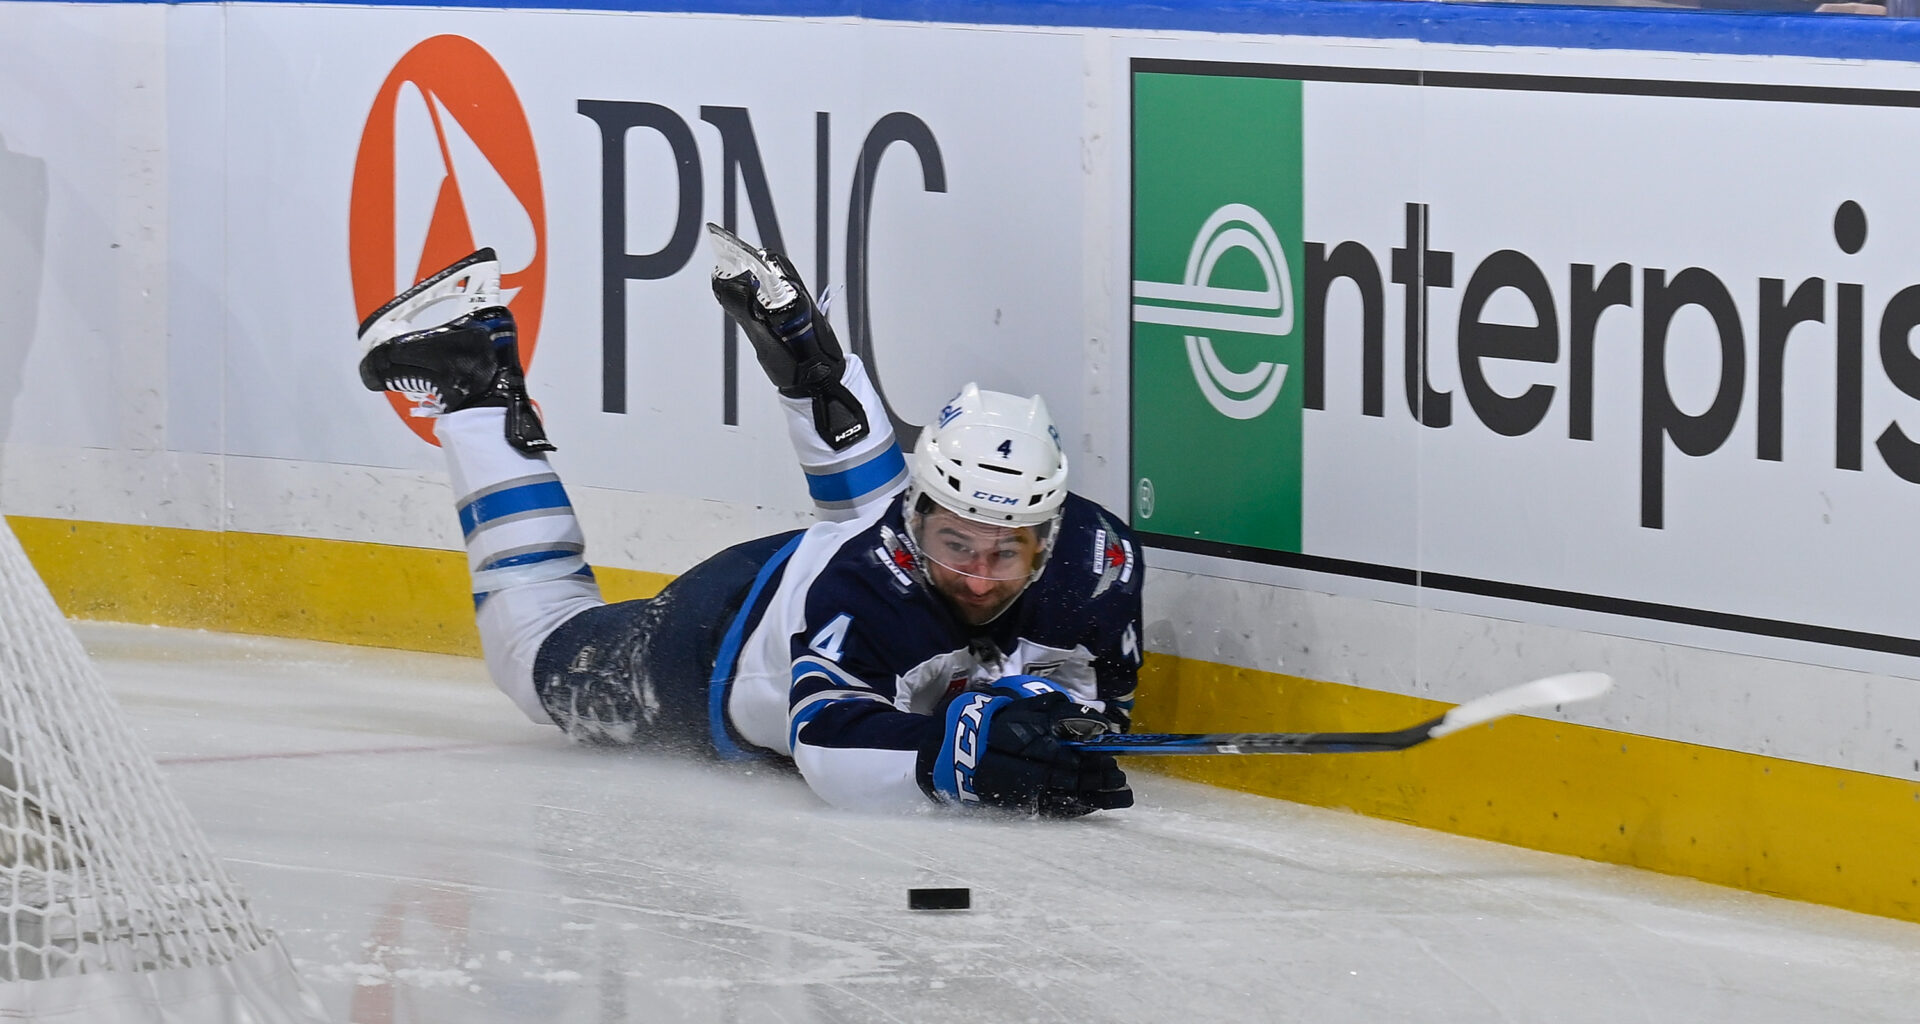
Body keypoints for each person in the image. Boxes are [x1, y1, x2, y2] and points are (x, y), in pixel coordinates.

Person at [355, 231, 1139, 816]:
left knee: (881, 539)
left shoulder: (1095, 562)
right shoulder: (868, 581)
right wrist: (953, 757)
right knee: (533, 660)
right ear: (917, 521)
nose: (976, 576)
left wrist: (1040, 713)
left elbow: (1088, 694)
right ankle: (475, 387)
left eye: (1005, 555)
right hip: (717, 648)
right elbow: (828, 746)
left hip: (847, 556)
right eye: (955, 544)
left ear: (1047, 540)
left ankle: (815, 370)